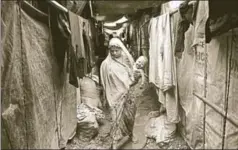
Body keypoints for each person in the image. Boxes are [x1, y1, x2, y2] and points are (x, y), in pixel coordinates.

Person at [100, 38, 136, 149]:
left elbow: (132, 77)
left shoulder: (126, 62)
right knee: (116, 119)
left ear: (121, 49)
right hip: (114, 97)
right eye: (112, 51)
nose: (114, 53)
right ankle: (115, 142)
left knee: (129, 117)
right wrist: (105, 96)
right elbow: (104, 81)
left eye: (117, 50)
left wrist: (133, 81)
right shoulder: (105, 64)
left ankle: (130, 134)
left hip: (127, 95)